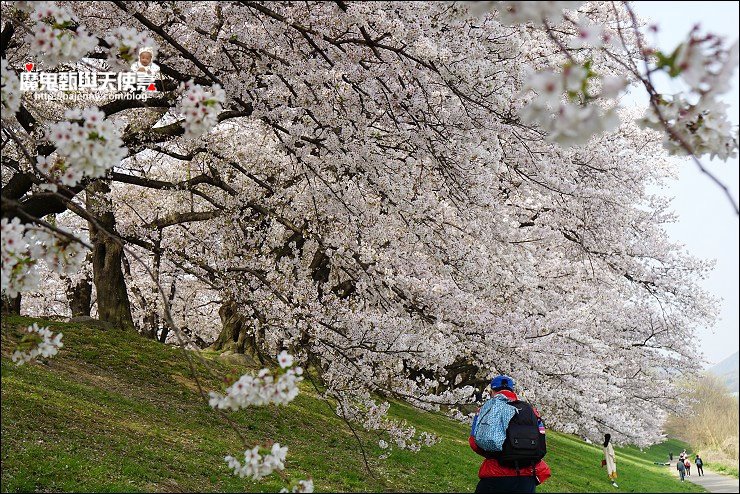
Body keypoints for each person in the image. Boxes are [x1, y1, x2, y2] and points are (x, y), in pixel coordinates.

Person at [469, 375, 551, 493]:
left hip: (495, 474)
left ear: (492, 391)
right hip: (527, 477)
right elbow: (541, 442)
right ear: (513, 391)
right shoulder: (532, 411)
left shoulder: (486, 410)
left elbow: (474, 442)